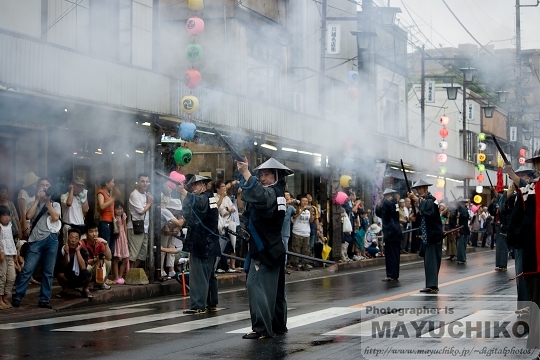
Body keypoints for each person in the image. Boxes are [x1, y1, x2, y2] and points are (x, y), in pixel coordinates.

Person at [236, 157, 290, 339]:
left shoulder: (272, 193)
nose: (262, 178)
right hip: (273, 247)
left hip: (265, 248)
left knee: (255, 285)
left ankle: (261, 329)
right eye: (260, 175)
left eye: (267, 175)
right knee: (275, 291)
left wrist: (245, 172)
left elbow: (260, 197)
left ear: (276, 176)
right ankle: (278, 325)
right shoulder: (279, 192)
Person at [504, 150, 540, 353]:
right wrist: (511, 176)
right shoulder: (532, 189)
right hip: (532, 252)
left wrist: (512, 176)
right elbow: (525, 190)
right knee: (533, 296)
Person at [12, 177, 61, 308]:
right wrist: (39, 200)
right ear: (38, 188)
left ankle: (44, 299)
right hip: (35, 240)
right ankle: (17, 296)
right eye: (42, 185)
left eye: (47, 185)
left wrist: (47, 202)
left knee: (48, 271)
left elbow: (55, 217)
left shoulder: (55, 204)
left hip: (52, 240)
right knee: (27, 269)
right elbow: (28, 216)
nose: (45, 187)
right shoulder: (33, 202)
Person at [177, 175, 220, 314]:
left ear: (203, 184)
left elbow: (200, 205)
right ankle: (211, 303)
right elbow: (189, 212)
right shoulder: (210, 197)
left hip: (203, 241)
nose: (192, 188)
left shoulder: (206, 197)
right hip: (208, 241)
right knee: (209, 274)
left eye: (195, 185)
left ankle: (198, 305)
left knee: (199, 275)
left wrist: (185, 193)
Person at [408, 179, 444, 294]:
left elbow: (430, 210)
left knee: (432, 261)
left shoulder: (432, 200)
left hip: (433, 235)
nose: (418, 191)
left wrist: (415, 199)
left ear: (426, 189)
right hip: (427, 235)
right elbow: (423, 217)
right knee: (428, 261)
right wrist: (415, 218)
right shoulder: (423, 202)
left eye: (420, 188)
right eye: (417, 189)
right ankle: (431, 284)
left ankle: (432, 285)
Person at [56, 228, 92, 298]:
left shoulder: (83, 251)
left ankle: (85, 289)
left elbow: (83, 267)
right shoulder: (62, 249)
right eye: (71, 237)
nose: (73, 240)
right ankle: (65, 290)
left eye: (76, 238)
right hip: (68, 277)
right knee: (60, 274)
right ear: (67, 239)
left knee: (88, 274)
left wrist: (78, 251)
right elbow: (63, 267)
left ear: (79, 241)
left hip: (80, 278)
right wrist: (66, 253)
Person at [375, 188, 402, 282]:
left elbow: (390, 209)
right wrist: (379, 203)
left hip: (394, 232)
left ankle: (393, 274)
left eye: (387, 195)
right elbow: (379, 213)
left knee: (394, 254)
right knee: (389, 255)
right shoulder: (386, 203)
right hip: (388, 232)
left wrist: (384, 200)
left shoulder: (394, 203)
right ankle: (390, 274)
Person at [128, 174, 153, 269]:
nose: (145, 184)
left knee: (142, 254)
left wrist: (148, 201)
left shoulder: (146, 194)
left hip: (145, 228)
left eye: (147, 181)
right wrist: (149, 203)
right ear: (137, 182)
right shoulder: (134, 194)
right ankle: (129, 273)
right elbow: (140, 212)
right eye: (142, 181)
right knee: (133, 254)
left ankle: (132, 272)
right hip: (135, 227)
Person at [80, 222, 112, 290]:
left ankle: (100, 284)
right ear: (86, 234)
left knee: (108, 262)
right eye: (91, 232)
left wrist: (106, 243)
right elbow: (82, 263)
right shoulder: (82, 243)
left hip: (96, 268)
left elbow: (109, 257)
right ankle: (85, 285)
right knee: (87, 267)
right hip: (87, 269)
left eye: (96, 231)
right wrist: (95, 260)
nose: (94, 234)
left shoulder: (100, 243)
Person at [60, 177, 88, 244]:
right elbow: (69, 203)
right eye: (77, 186)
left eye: (81, 186)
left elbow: (85, 210)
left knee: (81, 248)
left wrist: (85, 196)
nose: (79, 188)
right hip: (69, 227)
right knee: (69, 248)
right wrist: (71, 190)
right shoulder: (64, 196)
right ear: (72, 185)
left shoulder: (80, 197)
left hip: (80, 227)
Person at [97, 175, 120, 257]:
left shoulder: (109, 194)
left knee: (111, 248)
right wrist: (113, 198)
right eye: (112, 182)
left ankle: (108, 267)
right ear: (106, 183)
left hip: (111, 223)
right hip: (105, 223)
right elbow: (102, 206)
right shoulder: (101, 192)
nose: (113, 184)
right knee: (105, 247)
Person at [0, 205, 17, 309]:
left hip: (10, 254)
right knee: (2, 277)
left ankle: (6, 296)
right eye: (4, 215)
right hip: (2, 255)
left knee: (11, 277)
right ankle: (0, 299)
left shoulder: (10, 225)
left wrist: (15, 253)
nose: (7, 217)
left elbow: (10, 240)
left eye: (8, 215)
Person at [290, 195, 314, 270]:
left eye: (306, 201)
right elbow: (295, 216)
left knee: (306, 250)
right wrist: (303, 209)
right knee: (296, 249)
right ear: (300, 202)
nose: (305, 202)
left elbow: (311, 221)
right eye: (303, 201)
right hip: (297, 232)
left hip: (306, 232)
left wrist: (312, 213)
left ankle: (304, 264)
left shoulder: (308, 211)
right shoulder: (296, 209)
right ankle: (295, 265)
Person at [112, 201, 129, 284]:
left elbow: (125, 227)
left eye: (121, 208)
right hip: (117, 238)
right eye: (117, 209)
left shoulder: (123, 215)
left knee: (125, 259)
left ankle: (120, 276)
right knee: (116, 258)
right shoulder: (113, 216)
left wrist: (126, 238)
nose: (119, 210)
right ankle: (116, 277)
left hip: (123, 237)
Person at [17, 172, 38, 240]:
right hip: (25, 222)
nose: (36, 184)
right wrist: (25, 227)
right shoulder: (23, 192)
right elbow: (22, 211)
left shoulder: (34, 194)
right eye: (34, 182)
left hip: (33, 222)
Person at [282, 191, 296, 269]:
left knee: (285, 249)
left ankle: (284, 266)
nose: (287, 197)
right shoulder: (279, 205)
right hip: (277, 232)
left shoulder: (291, 208)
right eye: (285, 195)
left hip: (286, 232)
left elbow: (296, 215)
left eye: (288, 195)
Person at [456, 197, 470, 264]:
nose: (461, 204)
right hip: (460, 229)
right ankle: (461, 258)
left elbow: (463, 213)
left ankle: (462, 258)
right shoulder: (459, 210)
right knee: (460, 245)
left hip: (464, 229)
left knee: (462, 245)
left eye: (462, 203)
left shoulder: (465, 210)